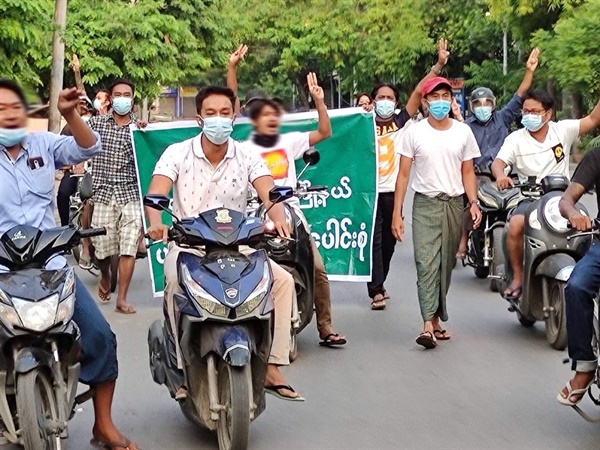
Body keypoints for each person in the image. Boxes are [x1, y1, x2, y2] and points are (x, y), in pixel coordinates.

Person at [0, 79, 138, 450]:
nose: (8, 114)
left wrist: (69, 113)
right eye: (0, 109)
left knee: (100, 336)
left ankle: (103, 426)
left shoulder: (44, 144)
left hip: (51, 267)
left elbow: (89, 145)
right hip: (1, 272)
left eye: (14, 107)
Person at [145, 85, 303, 401]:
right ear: (199, 118)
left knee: (282, 282)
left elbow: (268, 191)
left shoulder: (247, 154)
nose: (219, 120)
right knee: (176, 286)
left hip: (237, 247)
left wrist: (279, 215)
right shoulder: (177, 153)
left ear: (234, 115)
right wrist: (155, 223)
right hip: (190, 248)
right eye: (211, 113)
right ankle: (180, 368)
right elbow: (157, 193)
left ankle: (272, 364)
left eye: (225, 113)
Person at [239, 73, 347, 347]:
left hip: (291, 213)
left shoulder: (289, 141)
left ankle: (325, 326)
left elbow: (325, 133)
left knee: (318, 268)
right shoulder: (242, 149)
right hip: (255, 215)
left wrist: (319, 102)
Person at [391, 76, 482, 349]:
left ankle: (436, 318)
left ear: (451, 100)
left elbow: (468, 171)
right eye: (435, 97)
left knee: (445, 263)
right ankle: (426, 326)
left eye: (446, 96)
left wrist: (474, 202)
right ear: (426, 101)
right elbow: (404, 175)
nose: (441, 102)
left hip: (454, 204)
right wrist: (398, 213)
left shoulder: (463, 132)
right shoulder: (414, 133)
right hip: (425, 205)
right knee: (426, 262)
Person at [365, 38, 450, 310]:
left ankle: (380, 282)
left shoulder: (401, 121)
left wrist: (437, 66)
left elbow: (418, 91)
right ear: (373, 101)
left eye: (390, 98)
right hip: (369, 192)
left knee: (389, 243)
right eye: (381, 98)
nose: (386, 102)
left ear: (396, 102)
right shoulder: (363, 123)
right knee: (373, 242)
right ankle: (375, 289)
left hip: (393, 192)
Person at [491, 89, 600, 300]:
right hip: (529, 200)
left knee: (587, 229)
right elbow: (498, 163)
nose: (529, 115)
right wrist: (500, 176)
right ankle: (518, 277)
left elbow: (594, 119)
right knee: (515, 224)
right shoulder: (515, 139)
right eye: (525, 111)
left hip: (562, 199)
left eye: (534, 111)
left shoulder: (563, 130)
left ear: (548, 113)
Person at [456, 48, 540, 259]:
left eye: (487, 103)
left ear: (493, 105)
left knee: (525, 200)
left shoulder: (503, 118)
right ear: (472, 106)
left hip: (506, 174)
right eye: (478, 104)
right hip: (478, 174)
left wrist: (529, 71)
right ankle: (463, 239)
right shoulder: (465, 127)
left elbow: (520, 95)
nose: (483, 107)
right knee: (469, 199)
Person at [87, 79, 143, 314]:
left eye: (126, 94)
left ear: (132, 99)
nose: (122, 98)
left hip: (130, 194)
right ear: (110, 99)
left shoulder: (140, 130)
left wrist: (145, 132)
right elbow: (77, 136)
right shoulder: (95, 124)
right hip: (101, 193)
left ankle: (121, 298)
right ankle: (105, 275)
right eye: (117, 94)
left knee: (128, 246)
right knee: (102, 249)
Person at [558, 146, 600, 406]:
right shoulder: (597, 156)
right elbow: (566, 200)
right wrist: (574, 214)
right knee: (576, 287)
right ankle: (584, 366)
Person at [56, 98, 95, 268]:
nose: (82, 108)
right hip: (73, 172)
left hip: (94, 172)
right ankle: (65, 230)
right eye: (79, 105)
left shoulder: (98, 122)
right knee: (63, 193)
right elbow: (59, 146)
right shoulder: (69, 127)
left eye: (85, 105)